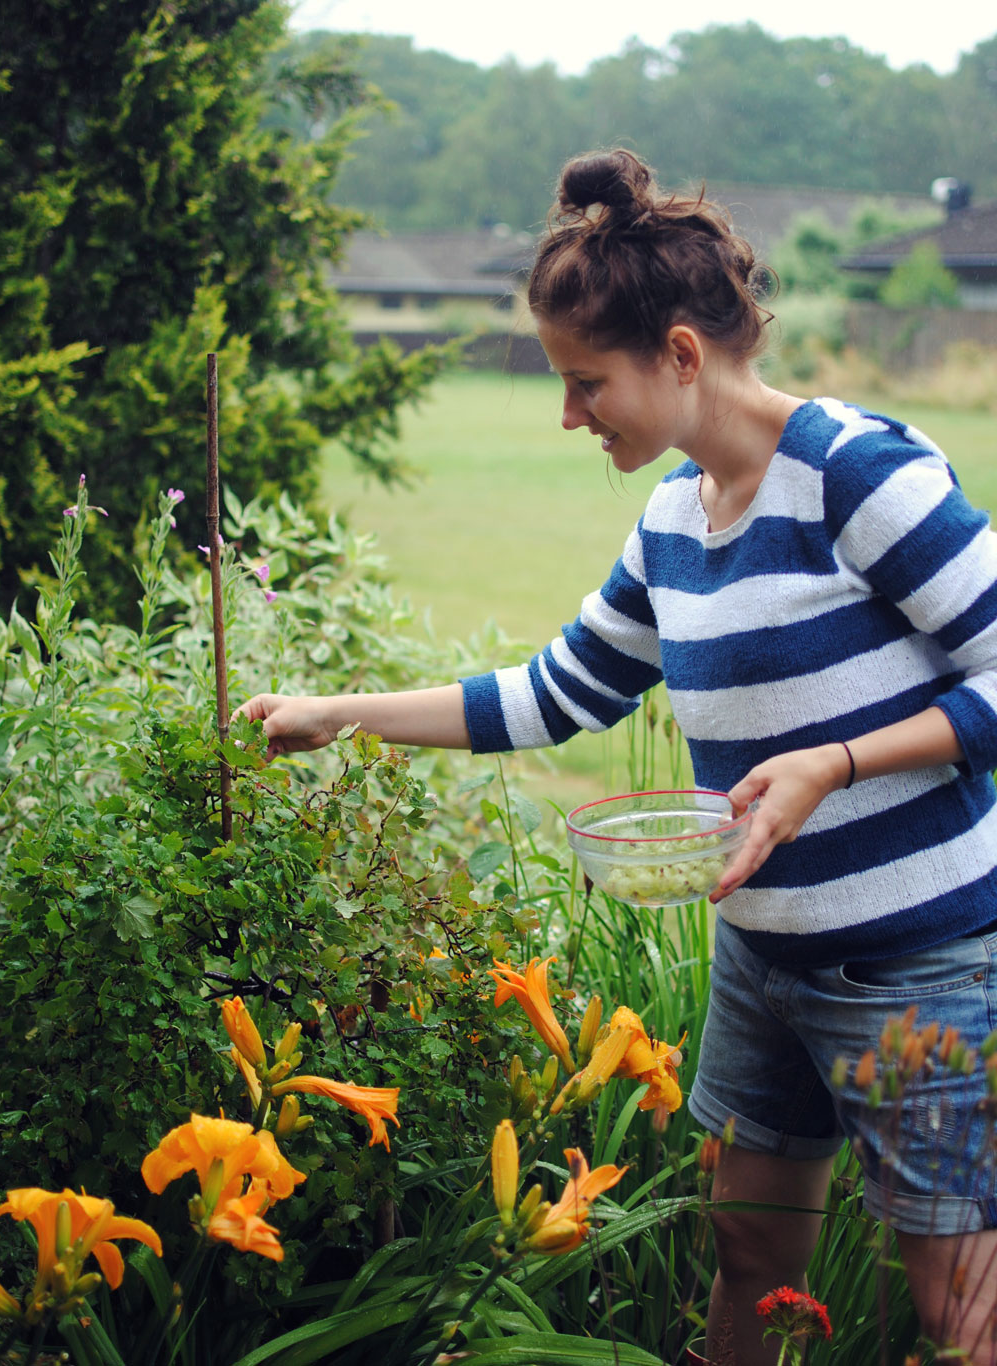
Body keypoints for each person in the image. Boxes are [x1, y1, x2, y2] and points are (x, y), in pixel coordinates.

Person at [236, 148, 997, 1364]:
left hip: (919, 971)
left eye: (587, 384)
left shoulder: (860, 476)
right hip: (763, 962)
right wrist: (341, 712)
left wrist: (832, 765)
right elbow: (557, 694)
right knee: (747, 1258)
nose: (569, 415)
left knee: (958, 1314)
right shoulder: (674, 515)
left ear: (682, 354)